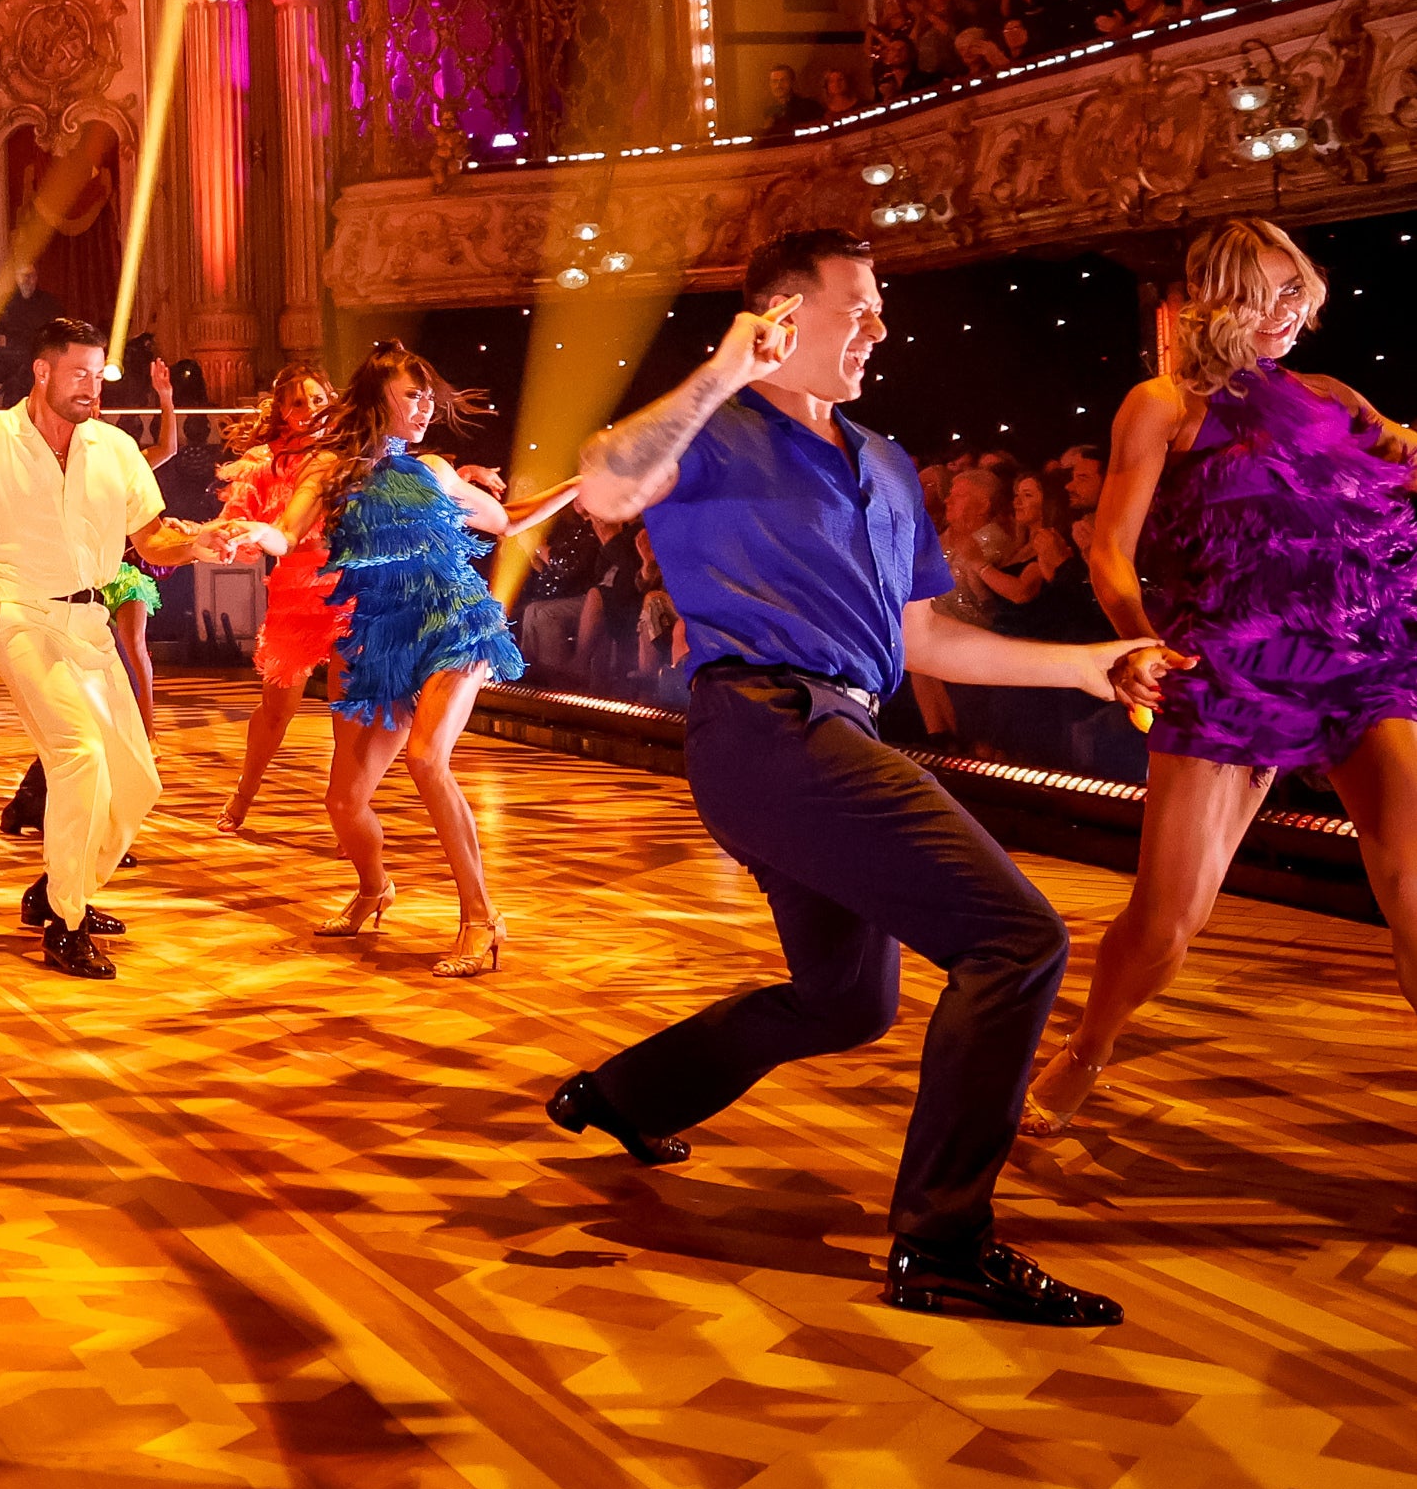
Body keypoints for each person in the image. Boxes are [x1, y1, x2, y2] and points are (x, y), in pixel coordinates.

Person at [550, 227, 1183, 1327]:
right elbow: (606, 488)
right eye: (858, 306)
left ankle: (624, 1093)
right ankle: (943, 1244)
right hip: (761, 726)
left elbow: (922, 642)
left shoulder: (885, 460)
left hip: (838, 729)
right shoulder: (715, 427)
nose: (880, 328)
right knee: (1017, 939)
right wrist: (721, 367)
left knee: (847, 998)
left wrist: (1085, 665)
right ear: (782, 320)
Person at [1023, 221, 1417, 1131]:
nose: (1278, 312)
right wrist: (1139, 643)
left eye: (1291, 291)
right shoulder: (1162, 402)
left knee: (1411, 888)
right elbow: (1109, 553)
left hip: (1360, 658)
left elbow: (1386, 501)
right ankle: (1088, 1044)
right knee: (1168, 920)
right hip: (1230, 664)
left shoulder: (1334, 397)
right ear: (1207, 300)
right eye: (1254, 293)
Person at [0, 317, 274, 980]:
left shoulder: (114, 447)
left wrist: (194, 542)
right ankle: (66, 921)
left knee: (135, 781)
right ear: (43, 372)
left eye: (97, 373)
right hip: (18, 616)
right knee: (77, 755)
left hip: (90, 624)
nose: (91, 386)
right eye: (78, 372)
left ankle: (57, 886)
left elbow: (151, 536)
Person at [271, 344, 574, 977]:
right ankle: (375, 889)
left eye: (429, 393)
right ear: (378, 398)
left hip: (452, 624)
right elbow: (285, 532)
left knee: (427, 758)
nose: (427, 404)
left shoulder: (433, 469)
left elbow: (508, 520)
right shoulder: (331, 470)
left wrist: (580, 485)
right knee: (344, 802)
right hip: (377, 639)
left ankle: (481, 918)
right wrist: (249, 536)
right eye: (413, 393)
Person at [214, 368, 343, 830]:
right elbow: (238, 524)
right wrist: (220, 536)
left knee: (347, 709)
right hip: (295, 594)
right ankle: (244, 794)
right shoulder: (263, 463)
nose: (309, 411)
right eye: (296, 404)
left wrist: (464, 474)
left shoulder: (353, 455)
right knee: (276, 710)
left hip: (353, 590)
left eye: (316, 399)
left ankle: (346, 813)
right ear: (282, 412)